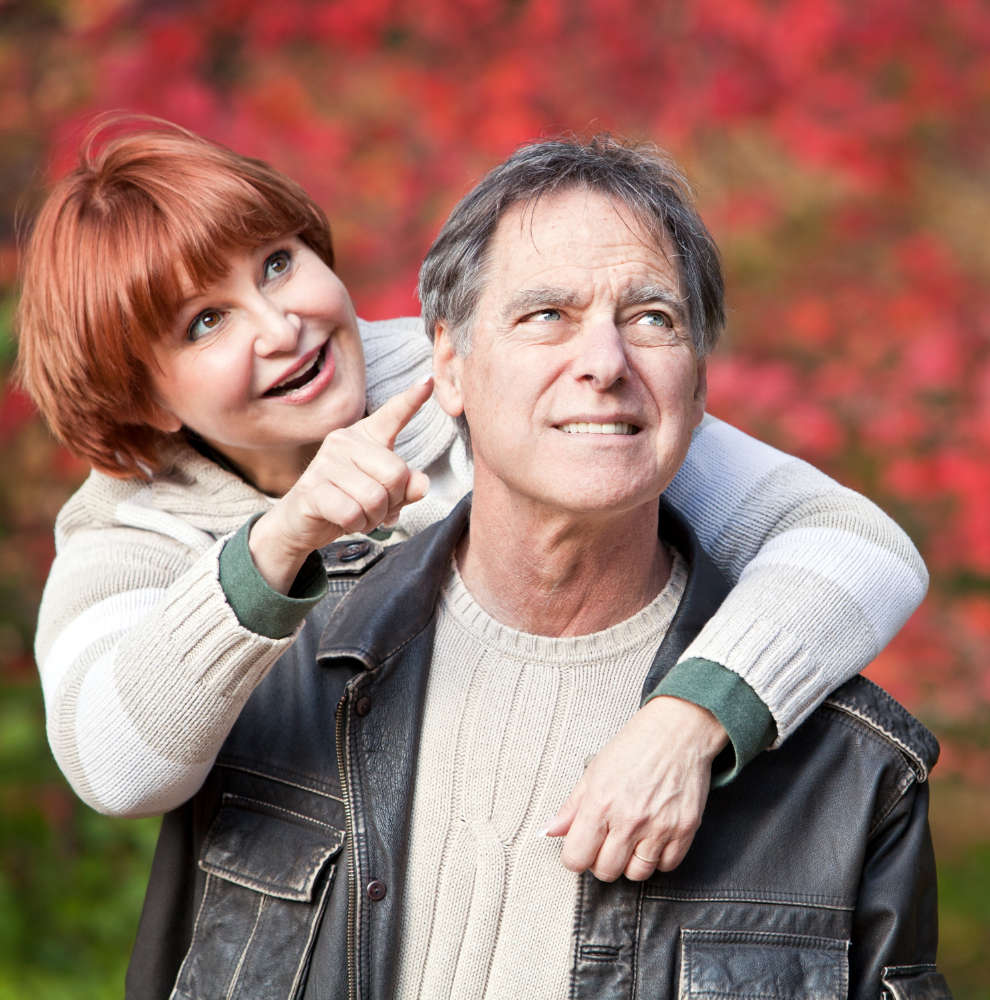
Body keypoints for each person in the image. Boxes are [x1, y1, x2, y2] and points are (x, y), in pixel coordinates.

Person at [117, 135, 945, 1000]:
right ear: (450, 366)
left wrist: (695, 717)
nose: (604, 363)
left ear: (698, 390)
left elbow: (865, 540)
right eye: (547, 314)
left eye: (652, 319)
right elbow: (124, 776)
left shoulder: (851, 774)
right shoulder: (268, 686)